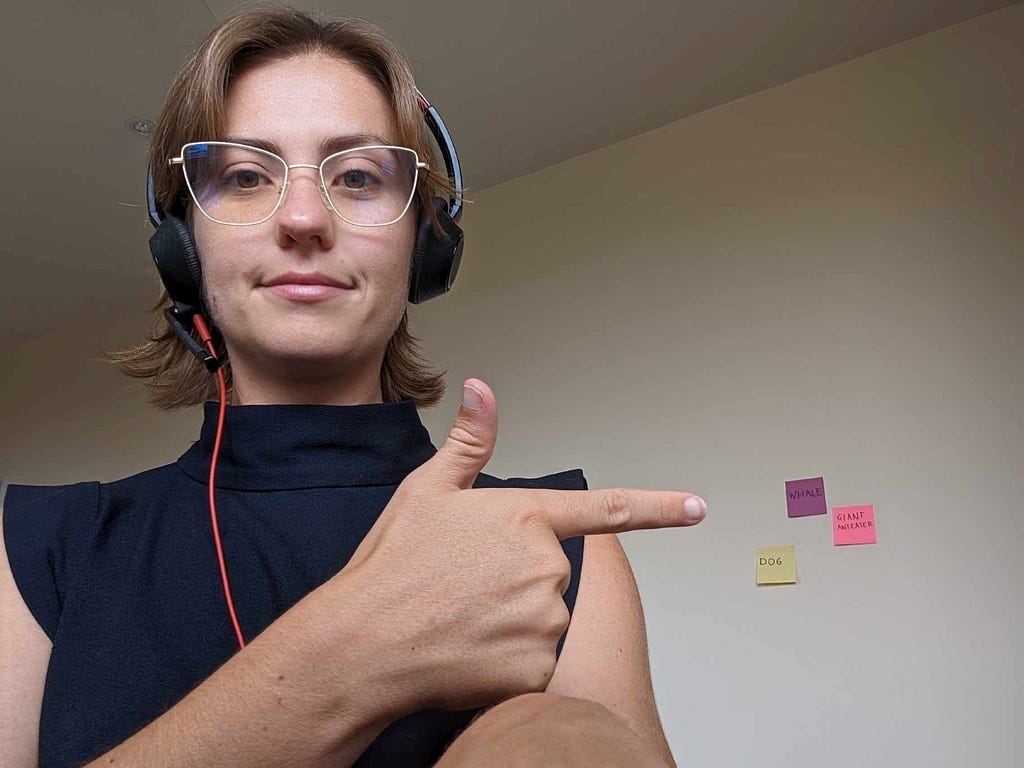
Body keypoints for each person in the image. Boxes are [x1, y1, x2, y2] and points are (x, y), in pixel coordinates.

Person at [0, 7, 707, 767]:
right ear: (183, 245)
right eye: (245, 176)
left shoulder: (555, 543)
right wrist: (354, 653)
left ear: (425, 242)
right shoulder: (41, 545)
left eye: (359, 176)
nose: (304, 218)